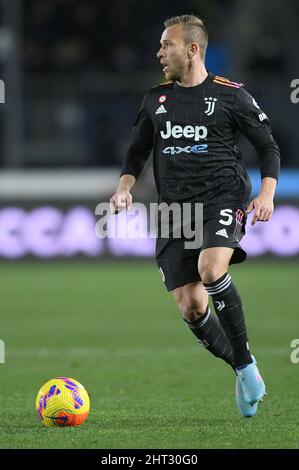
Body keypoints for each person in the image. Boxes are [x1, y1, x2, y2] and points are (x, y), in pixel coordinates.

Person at [110, 15, 280, 417]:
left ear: (192, 49)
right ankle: (244, 366)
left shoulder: (231, 95)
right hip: (173, 208)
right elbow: (137, 150)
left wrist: (266, 195)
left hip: (221, 197)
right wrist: (124, 187)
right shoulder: (155, 99)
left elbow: (267, 146)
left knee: (211, 267)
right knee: (191, 306)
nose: (159, 53)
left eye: (166, 45)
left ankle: (243, 365)